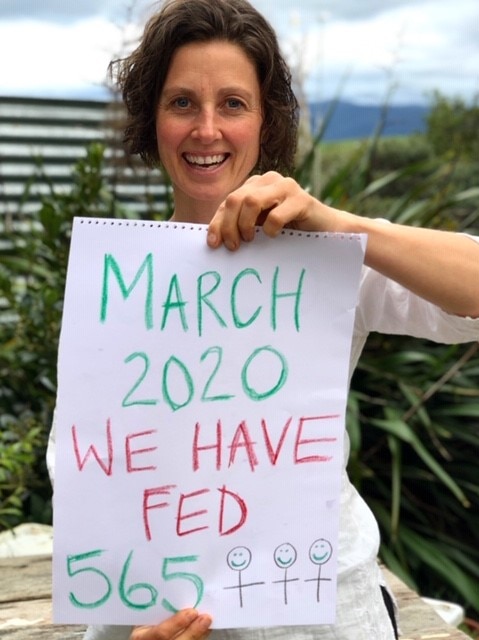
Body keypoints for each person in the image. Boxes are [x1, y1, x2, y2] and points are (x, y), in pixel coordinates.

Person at [47, 0, 479, 639]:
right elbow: (87, 461)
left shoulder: (327, 254)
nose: (207, 130)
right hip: (150, 616)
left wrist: (341, 225)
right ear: (152, 118)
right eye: (182, 103)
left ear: (265, 119)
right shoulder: (118, 278)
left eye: (233, 103)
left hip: (322, 615)